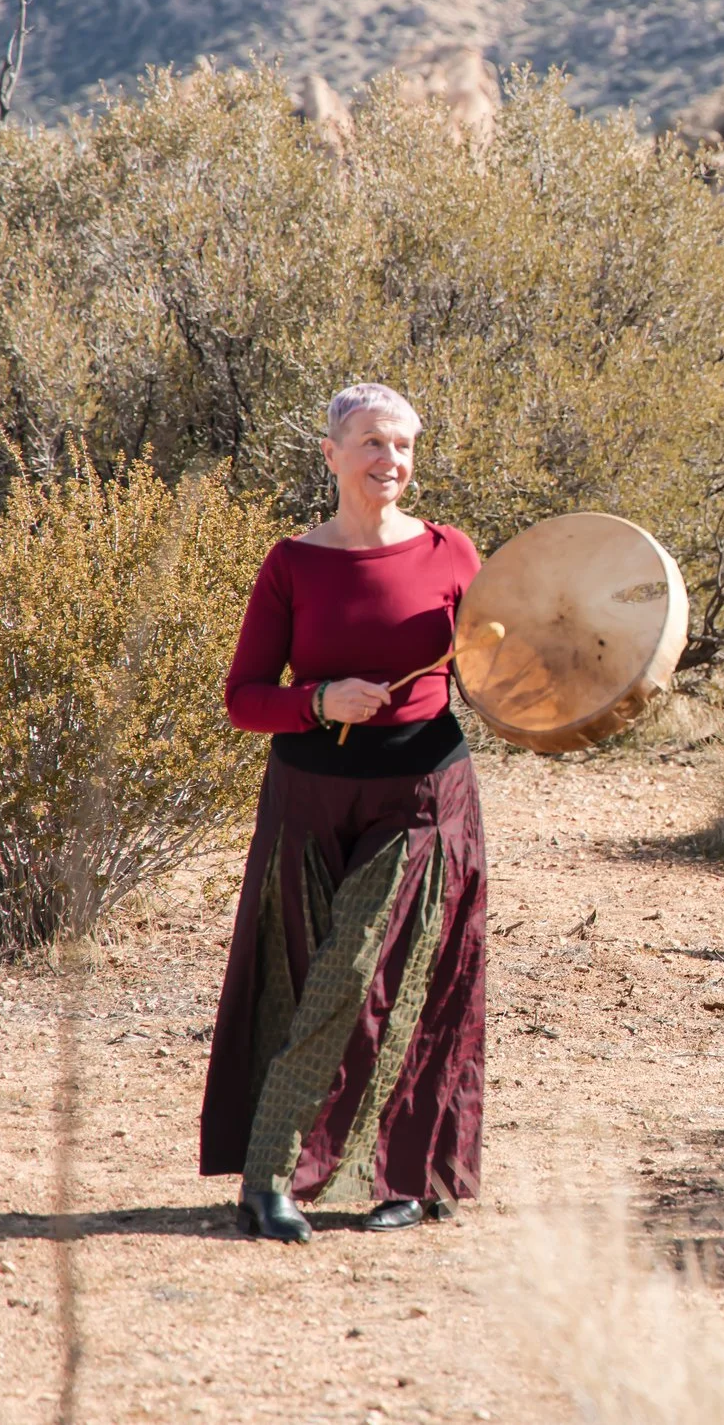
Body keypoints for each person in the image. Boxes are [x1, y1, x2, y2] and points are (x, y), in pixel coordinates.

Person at [201, 383, 488, 1243]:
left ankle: (384, 1174)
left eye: (401, 445)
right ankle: (277, 1178)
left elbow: (507, 669)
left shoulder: (452, 554)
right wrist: (320, 699)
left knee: (379, 973)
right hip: (308, 795)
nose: (388, 461)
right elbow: (244, 698)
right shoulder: (293, 562)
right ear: (330, 454)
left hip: (424, 791)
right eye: (369, 443)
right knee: (297, 979)